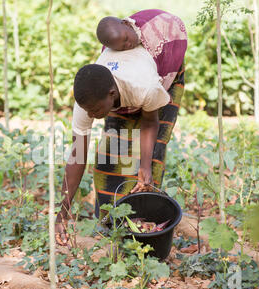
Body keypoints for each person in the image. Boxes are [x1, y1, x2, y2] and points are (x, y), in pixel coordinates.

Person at [55, 10, 187, 247]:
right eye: (90, 112)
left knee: (150, 166)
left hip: (160, 78)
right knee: (109, 164)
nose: (92, 116)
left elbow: (149, 122)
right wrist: (62, 212)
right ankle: (112, 233)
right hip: (121, 96)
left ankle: (148, 239)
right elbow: (77, 155)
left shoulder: (145, 86)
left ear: (112, 94)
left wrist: (144, 166)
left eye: (96, 111)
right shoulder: (88, 101)